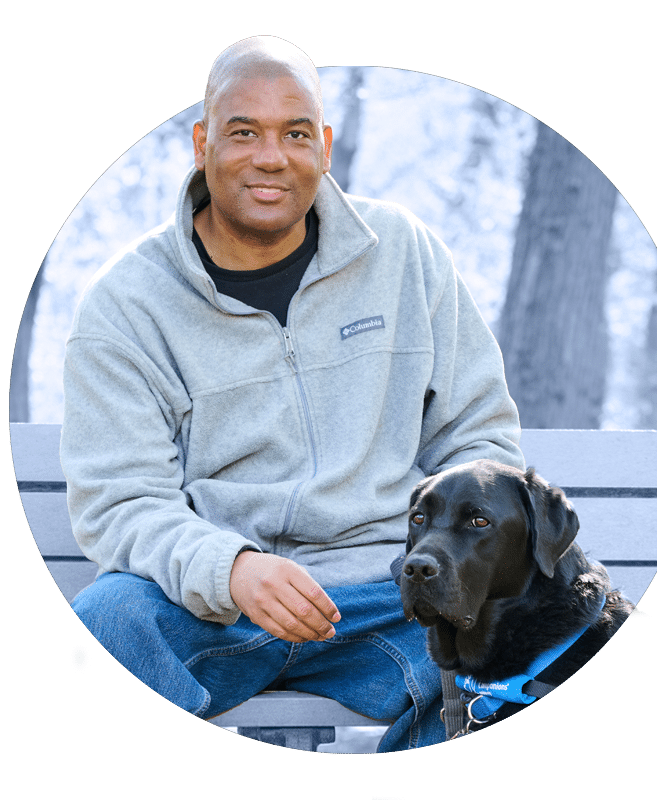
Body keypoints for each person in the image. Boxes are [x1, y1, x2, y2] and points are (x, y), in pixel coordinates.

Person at [63, 36, 525, 751]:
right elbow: (121, 502)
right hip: (211, 604)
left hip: (393, 595)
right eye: (243, 132)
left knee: (513, 661)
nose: (271, 157)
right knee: (106, 626)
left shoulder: (404, 253)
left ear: (326, 146)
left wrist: (441, 565)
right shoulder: (126, 305)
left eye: (296, 133)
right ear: (201, 142)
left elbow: (479, 441)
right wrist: (233, 570)